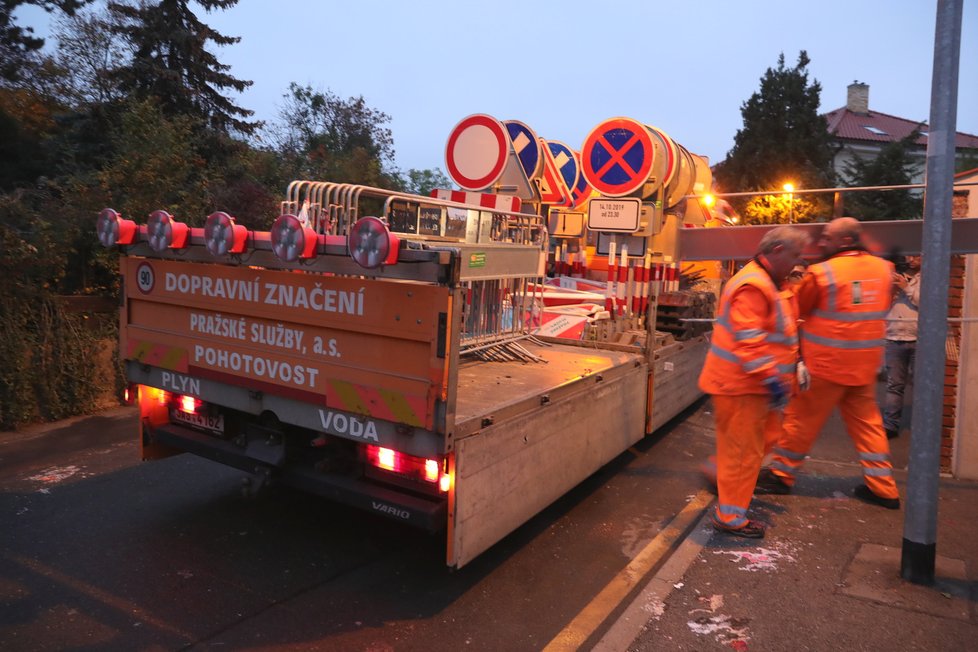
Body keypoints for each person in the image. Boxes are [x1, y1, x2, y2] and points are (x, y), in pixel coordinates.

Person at [758, 217, 901, 510]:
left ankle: (781, 474)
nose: (821, 242)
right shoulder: (884, 270)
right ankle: (884, 488)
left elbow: (799, 305)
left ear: (845, 241)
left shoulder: (823, 273)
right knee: (869, 427)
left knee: (800, 420)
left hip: (825, 366)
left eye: (827, 238)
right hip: (864, 367)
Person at [699, 225, 809, 538]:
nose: (798, 263)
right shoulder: (754, 285)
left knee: (762, 441)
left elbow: (781, 332)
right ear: (776, 251)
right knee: (744, 453)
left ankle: (722, 473)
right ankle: (730, 517)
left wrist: (794, 364)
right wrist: (774, 380)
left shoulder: (772, 283)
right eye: (795, 255)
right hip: (742, 386)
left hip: (754, 386)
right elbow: (750, 343)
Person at [883, 255, 920, 439]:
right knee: (894, 385)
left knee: (920, 385)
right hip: (894, 336)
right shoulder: (897, 276)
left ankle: (921, 427)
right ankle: (890, 426)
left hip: (919, 338)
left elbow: (926, 303)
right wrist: (891, 290)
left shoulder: (928, 277)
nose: (911, 259)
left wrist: (906, 288)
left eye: (916, 256)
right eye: (909, 255)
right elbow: (882, 304)